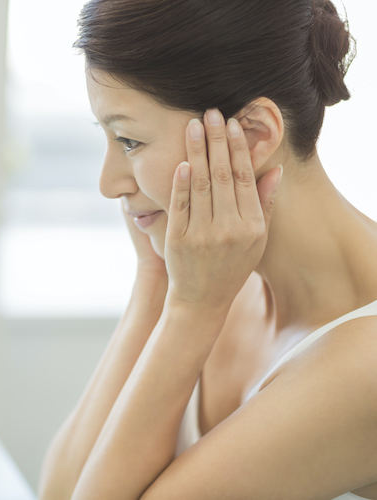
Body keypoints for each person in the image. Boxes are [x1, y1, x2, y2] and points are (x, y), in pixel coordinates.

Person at [38, 0, 377, 499]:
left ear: (254, 135)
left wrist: (191, 310)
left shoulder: (364, 366)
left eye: (129, 141)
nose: (108, 185)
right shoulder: (213, 275)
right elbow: (59, 489)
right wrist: (155, 280)